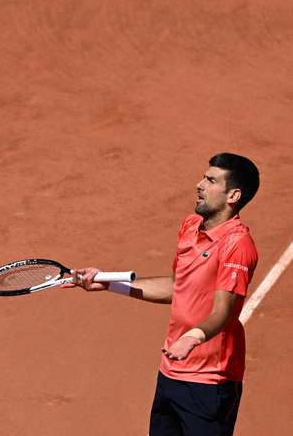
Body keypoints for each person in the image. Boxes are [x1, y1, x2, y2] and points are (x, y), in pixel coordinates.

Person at [69, 152, 259, 436]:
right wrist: (109, 283)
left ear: (233, 195)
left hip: (210, 382)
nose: (199, 184)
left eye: (210, 180)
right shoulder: (190, 226)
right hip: (171, 372)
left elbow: (224, 311)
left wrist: (191, 338)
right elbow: (176, 286)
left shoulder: (237, 245)